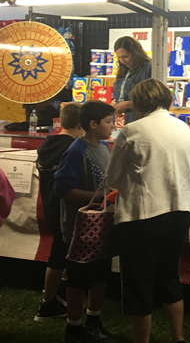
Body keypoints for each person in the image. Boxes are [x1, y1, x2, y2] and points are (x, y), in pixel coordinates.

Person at [106, 78, 190, 343]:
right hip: (180, 210)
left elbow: (113, 178)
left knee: (138, 281)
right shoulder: (184, 129)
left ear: (139, 103)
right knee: (169, 275)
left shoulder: (132, 130)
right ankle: (178, 337)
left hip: (142, 214)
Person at [54, 101, 115, 343]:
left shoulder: (104, 147)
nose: (113, 126)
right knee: (79, 279)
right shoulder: (76, 151)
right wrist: (96, 197)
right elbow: (63, 189)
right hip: (80, 227)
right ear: (93, 124)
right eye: (109, 122)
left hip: (102, 223)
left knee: (100, 274)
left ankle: (93, 319)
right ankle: (74, 326)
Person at [34, 103, 82, 321]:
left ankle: (56, 296)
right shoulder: (72, 149)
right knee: (59, 254)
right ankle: (48, 303)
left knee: (61, 252)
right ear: (81, 124)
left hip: (50, 204)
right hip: (64, 208)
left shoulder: (48, 144)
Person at [112, 36, 152, 125]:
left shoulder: (149, 68)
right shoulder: (123, 70)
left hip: (139, 121)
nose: (122, 61)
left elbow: (155, 100)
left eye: (125, 56)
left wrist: (129, 104)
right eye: (119, 57)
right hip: (120, 121)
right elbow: (122, 92)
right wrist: (115, 101)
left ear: (135, 53)